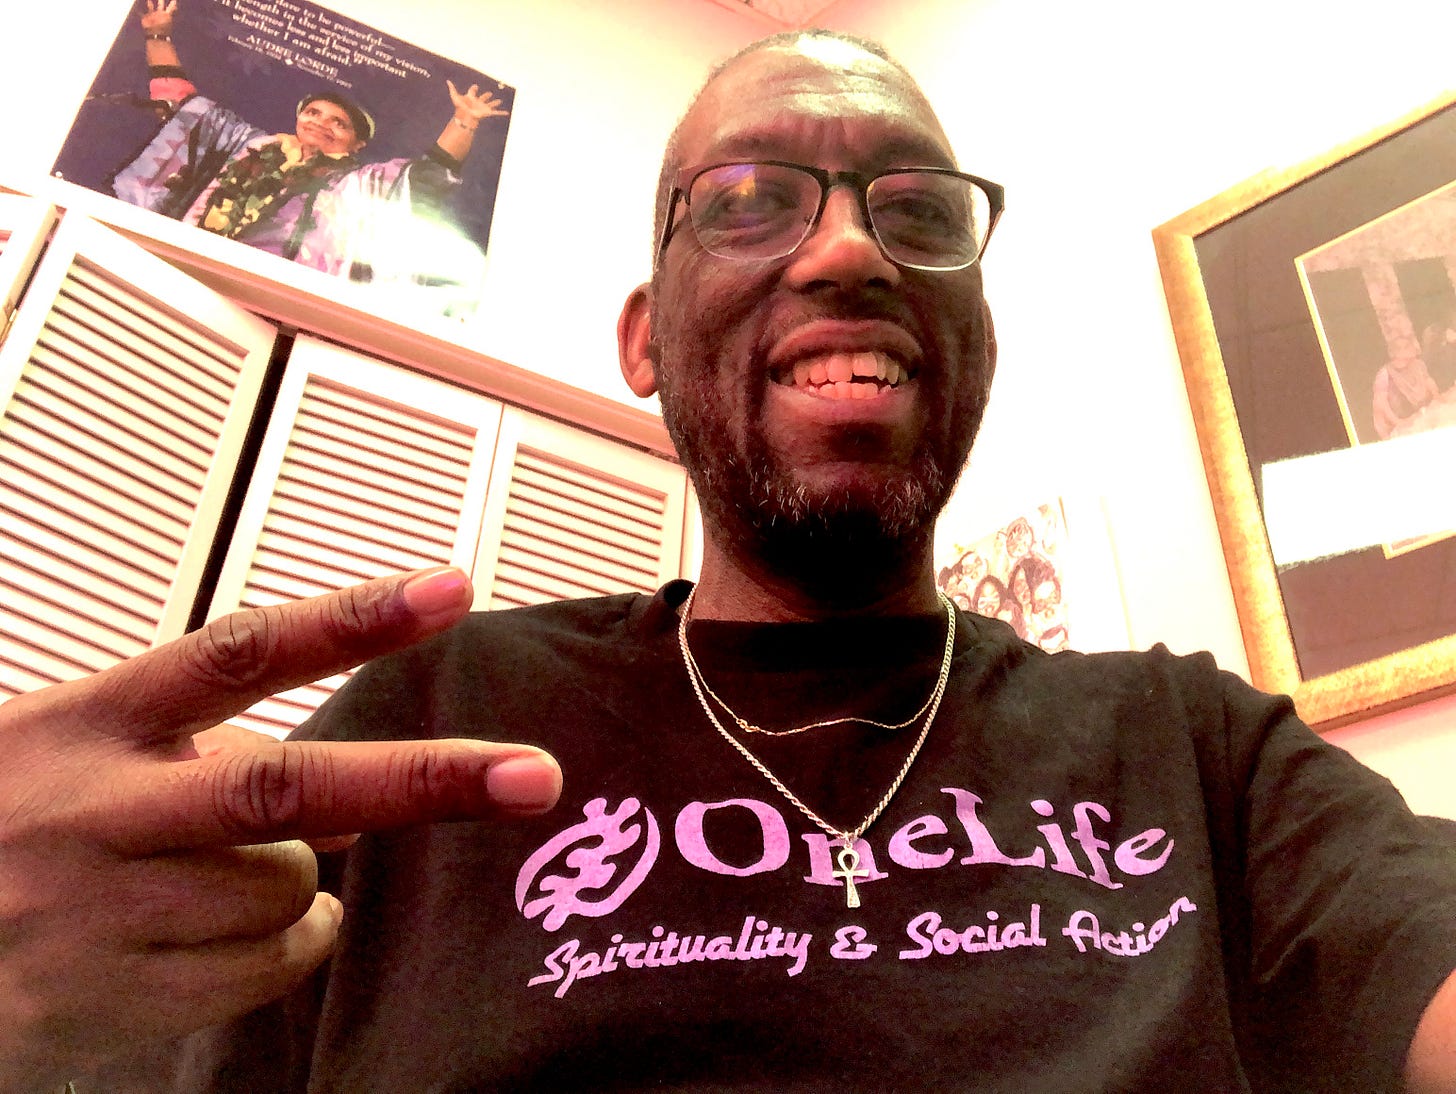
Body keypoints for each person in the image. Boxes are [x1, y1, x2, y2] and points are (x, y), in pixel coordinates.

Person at [2, 28, 1455, 1094]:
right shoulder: (434, 722)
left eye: (922, 212)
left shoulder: (1199, 751)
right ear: (644, 338)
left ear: (979, 325)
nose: (846, 255)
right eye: (753, 198)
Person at [110, 0, 507, 280]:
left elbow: (429, 176)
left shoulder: (359, 183)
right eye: (314, 112)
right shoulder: (246, 142)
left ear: (356, 145)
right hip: (183, 264)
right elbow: (183, 104)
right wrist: (158, 35)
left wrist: (464, 121)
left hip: (271, 295)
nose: (322, 123)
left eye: (339, 123)